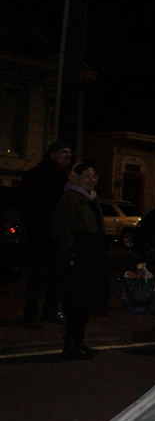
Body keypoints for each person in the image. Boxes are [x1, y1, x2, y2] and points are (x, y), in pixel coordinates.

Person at [51, 162, 108, 360]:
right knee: (77, 302)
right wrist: (72, 251)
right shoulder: (71, 198)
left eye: (93, 176)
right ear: (76, 178)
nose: (91, 180)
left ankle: (79, 341)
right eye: (86, 176)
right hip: (79, 256)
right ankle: (71, 343)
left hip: (92, 255)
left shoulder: (92, 199)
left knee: (86, 302)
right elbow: (61, 228)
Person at [20, 141, 72, 329]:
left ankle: (49, 311)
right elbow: (30, 207)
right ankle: (31, 314)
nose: (68, 156)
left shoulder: (67, 177)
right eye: (64, 152)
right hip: (41, 236)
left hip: (58, 237)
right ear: (53, 155)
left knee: (56, 278)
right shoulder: (37, 176)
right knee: (37, 278)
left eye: (69, 152)